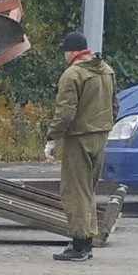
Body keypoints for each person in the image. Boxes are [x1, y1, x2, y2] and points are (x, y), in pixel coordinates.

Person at [44, 30, 118, 262]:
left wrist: (52, 137)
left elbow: (65, 111)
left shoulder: (72, 74)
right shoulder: (107, 70)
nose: (64, 56)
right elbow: (115, 104)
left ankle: (78, 245)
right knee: (88, 190)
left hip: (79, 137)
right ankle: (86, 242)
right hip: (101, 135)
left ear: (72, 51)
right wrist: (106, 125)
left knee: (75, 191)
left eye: (65, 51)